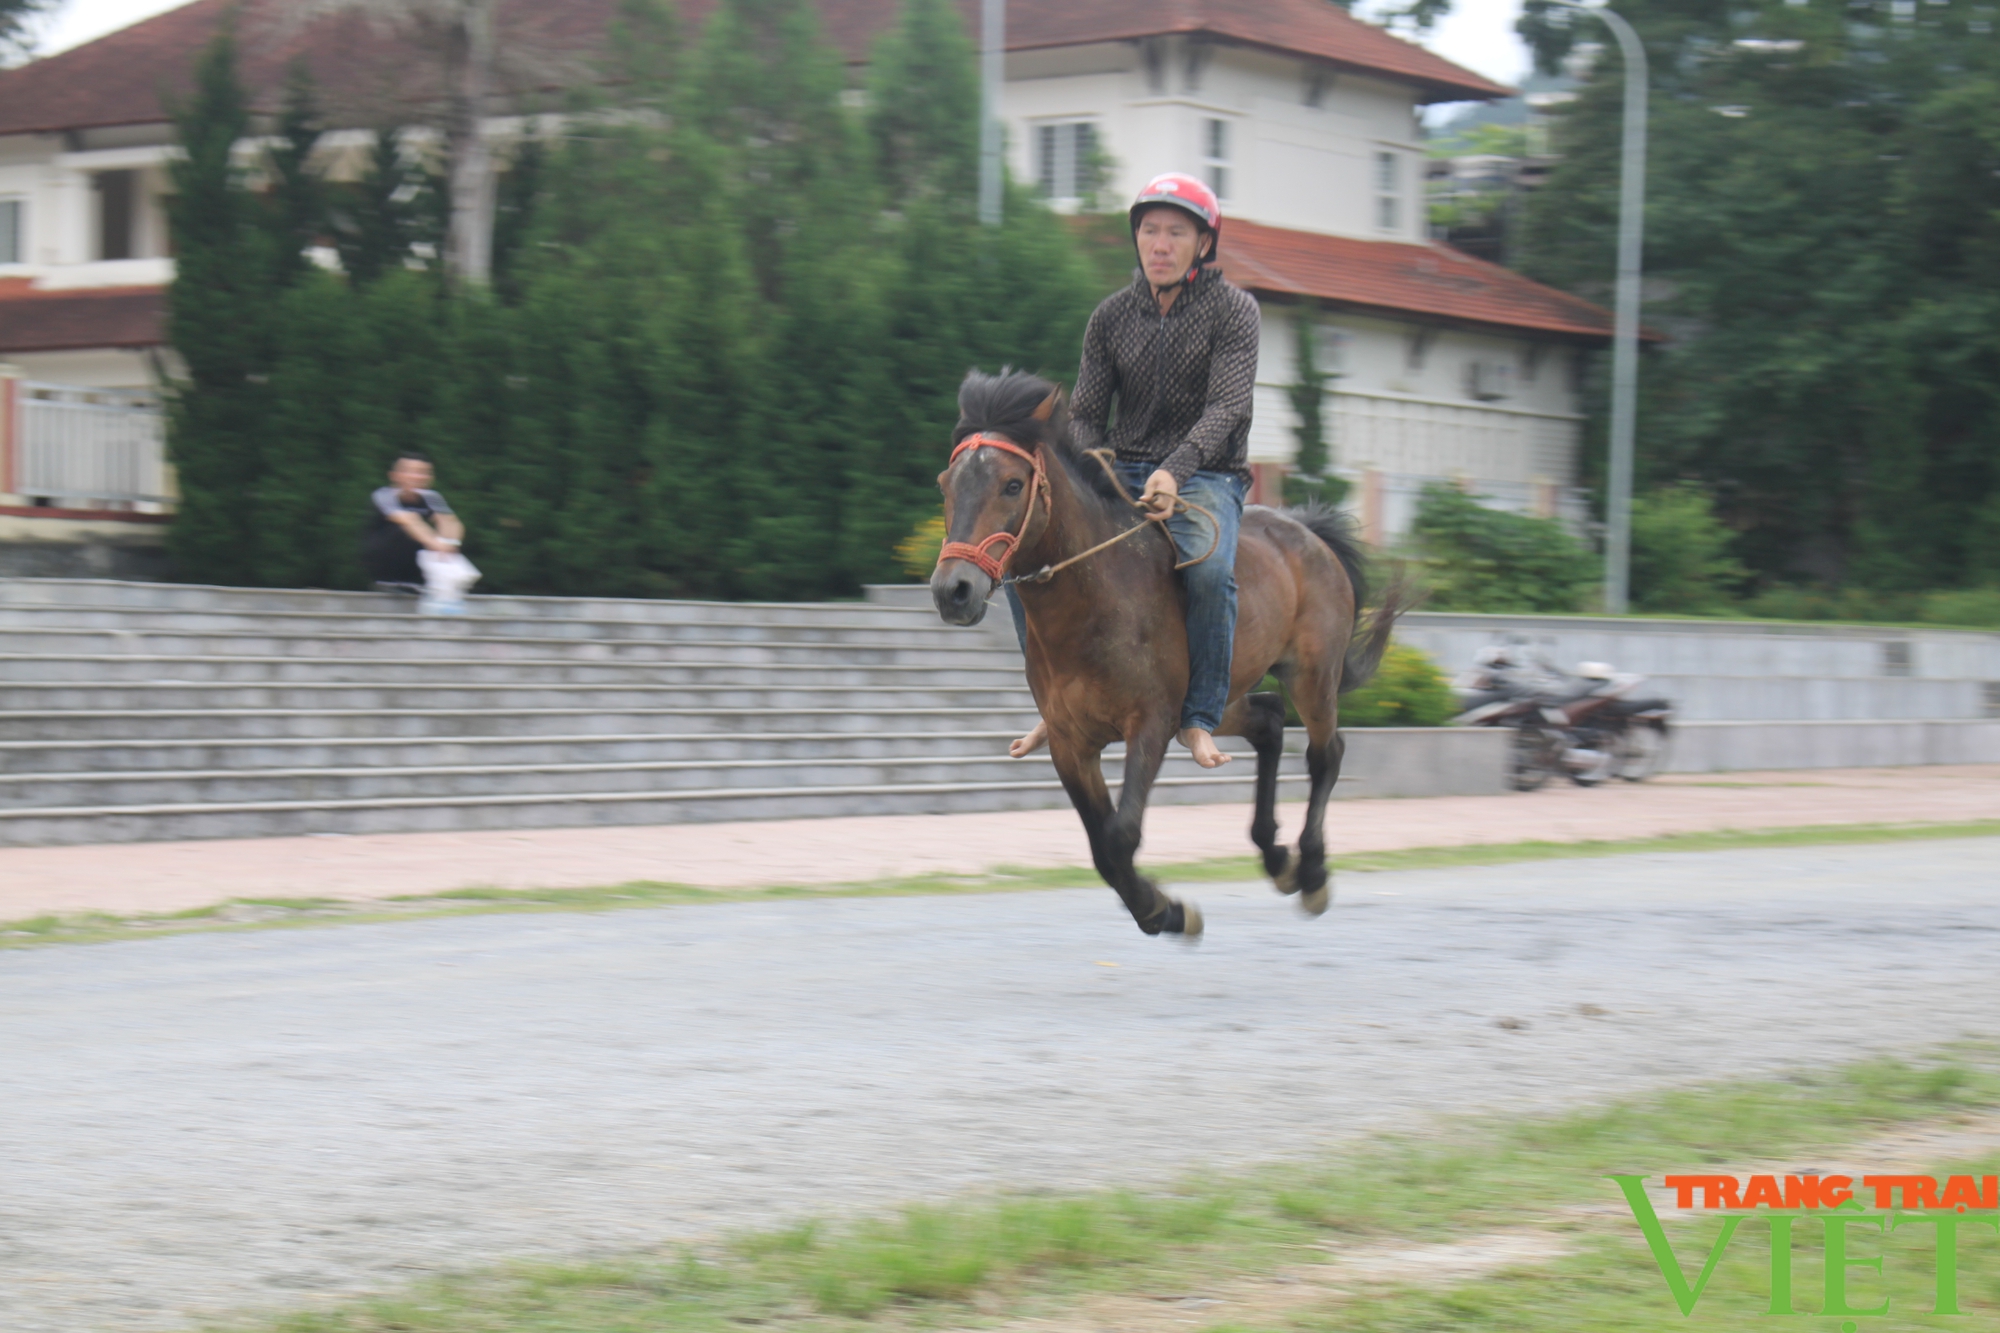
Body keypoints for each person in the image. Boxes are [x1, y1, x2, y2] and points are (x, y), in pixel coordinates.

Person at [1009, 172, 1259, 769]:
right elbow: (1089, 415)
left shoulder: (1235, 312)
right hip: (1122, 471)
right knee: (1028, 562)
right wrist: (1095, 470)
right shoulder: (1110, 317)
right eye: (1149, 231)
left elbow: (1227, 407)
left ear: (1204, 242)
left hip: (1208, 474)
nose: (1160, 244)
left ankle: (1198, 716)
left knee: (1209, 572)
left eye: (1176, 232)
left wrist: (1175, 471)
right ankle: (1054, 703)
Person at [363, 454, 470, 607]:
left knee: (444, 540)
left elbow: (449, 522)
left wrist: (450, 543)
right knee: (406, 529)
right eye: (410, 471)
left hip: (415, 558)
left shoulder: (431, 496)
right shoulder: (384, 495)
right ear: (395, 476)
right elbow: (408, 521)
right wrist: (437, 544)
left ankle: (420, 582)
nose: (417, 476)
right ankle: (389, 581)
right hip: (382, 555)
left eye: (423, 472)